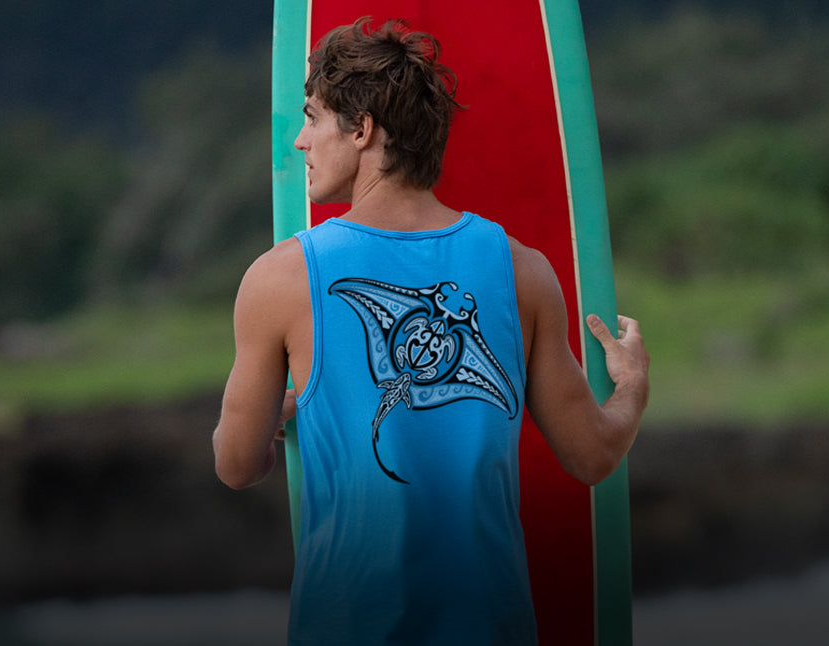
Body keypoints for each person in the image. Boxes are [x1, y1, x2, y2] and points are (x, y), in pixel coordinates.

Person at [212, 17, 649, 645]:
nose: (301, 142)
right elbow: (593, 455)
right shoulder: (521, 269)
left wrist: (282, 413)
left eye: (312, 117)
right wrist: (632, 384)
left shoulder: (280, 278)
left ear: (361, 130)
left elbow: (234, 464)